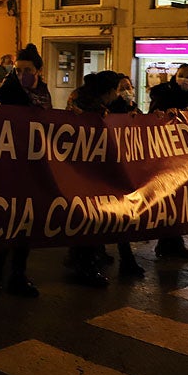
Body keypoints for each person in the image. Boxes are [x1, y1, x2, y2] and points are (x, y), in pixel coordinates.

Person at [66, 70, 144, 282]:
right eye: (119, 90)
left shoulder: (109, 107)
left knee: (115, 215)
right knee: (90, 219)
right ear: (110, 91)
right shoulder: (84, 107)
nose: (122, 94)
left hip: (107, 170)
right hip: (88, 173)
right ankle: (84, 265)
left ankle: (113, 260)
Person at [0, 43, 49, 297]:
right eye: (18, 68)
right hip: (10, 165)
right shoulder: (9, 90)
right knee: (8, 220)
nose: (21, 72)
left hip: (33, 163)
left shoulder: (43, 92)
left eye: (27, 69)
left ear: (38, 71)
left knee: (27, 222)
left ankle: (18, 273)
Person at [149, 63, 188, 260]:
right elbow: (153, 121)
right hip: (166, 154)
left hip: (186, 154)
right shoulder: (162, 95)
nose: (185, 79)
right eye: (182, 75)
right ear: (175, 76)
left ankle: (174, 243)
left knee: (179, 201)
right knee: (168, 199)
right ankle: (166, 244)